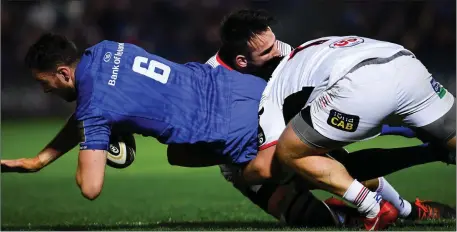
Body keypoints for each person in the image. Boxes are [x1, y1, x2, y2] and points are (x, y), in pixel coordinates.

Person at [168, 9, 455, 228]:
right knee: (303, 211)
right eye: (268, 50)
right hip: (242, 150)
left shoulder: (278, 58)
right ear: (242, 62)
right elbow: (187, 147)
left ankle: (402, 210)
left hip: (290, 120)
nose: (279, 50)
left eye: (275, 41)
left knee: (319, 161)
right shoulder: (213, 82)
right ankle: (362, 214)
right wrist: (240, 171)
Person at [0, 33, 267, 201]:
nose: (45, 90)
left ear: (63, 74)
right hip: (246, 87)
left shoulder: (95, 109)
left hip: (235, 129)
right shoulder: (106, 49)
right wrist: (40, 160)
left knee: (273, 172)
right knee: (177, 154)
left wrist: (102, 140)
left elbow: (90, 187)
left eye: (43, 82)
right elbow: (93, 110)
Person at [259, 35, 455, 230]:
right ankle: (409, 208)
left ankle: (374, 209)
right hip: (404, 63)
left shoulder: (272, 90)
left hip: (359, 87)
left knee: (291, 152)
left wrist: (234, 171)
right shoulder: (310, 46)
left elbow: (261, 169)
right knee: (331, 162)